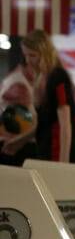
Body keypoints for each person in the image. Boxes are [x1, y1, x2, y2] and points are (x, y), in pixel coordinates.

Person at [24, 29, 75, 163]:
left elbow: (65, 125)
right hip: (46, 149)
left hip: (58, 152)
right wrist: (18, 142)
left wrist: (63, 163)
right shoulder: (40, 78)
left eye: (32, 55)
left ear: (44, 53)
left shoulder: (58, 77)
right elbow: (39, 124)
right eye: (25, 55)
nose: (28, 60)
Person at [0, 37, 39, 166]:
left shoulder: (18, 79)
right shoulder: (19, 84)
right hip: (14, 143)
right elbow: (28, 119)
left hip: (14, 141)